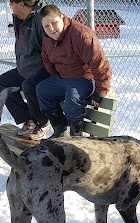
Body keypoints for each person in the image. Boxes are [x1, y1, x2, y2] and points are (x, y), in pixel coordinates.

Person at [33, 4, 112, 138]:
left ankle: (76, 137)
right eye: (47, 26)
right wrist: (55, 77)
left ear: (62, 18)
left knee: (72, 96)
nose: (51, 29)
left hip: (84, 78)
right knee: (42, 90)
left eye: (54, 23)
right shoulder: (48, 39)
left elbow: (100, 63)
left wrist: (100, 91)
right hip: (63, 77)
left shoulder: (80, 34)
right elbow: (46, 60)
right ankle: (60, 131)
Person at [0, 0, 47, 136]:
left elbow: (50, 50)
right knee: (2, 82)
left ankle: (43, 122)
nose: (9, 5)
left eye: (11, 2)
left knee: (28, 85)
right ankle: (29, 119)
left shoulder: (42, 18)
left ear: (21, 4)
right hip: (25, 69)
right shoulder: (19, 18)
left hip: (42, 71)